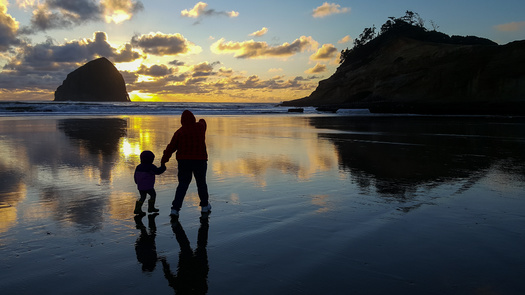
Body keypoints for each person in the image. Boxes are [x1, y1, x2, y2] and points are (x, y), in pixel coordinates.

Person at [161, 110, 211, 217]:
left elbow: (171, 148)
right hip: (200, 160)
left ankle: (175, 209)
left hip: (184, 162)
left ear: (182, 121)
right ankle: (204, 206)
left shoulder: (179, 132)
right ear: (193, 118)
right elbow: (203, 121)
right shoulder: (200, 128)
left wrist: (164, 160)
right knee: (201, 183)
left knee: (183, 185)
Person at [134, 150, 166, 215]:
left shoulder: (138, 167)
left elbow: (135, 176)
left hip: (140, 186)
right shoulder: (151, 167)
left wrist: (137, 182)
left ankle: (137, 209)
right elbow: (158, 171)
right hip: (148, 186)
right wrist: (163, 166)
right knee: (153, 195)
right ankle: (151, 208)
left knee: (142, 197)